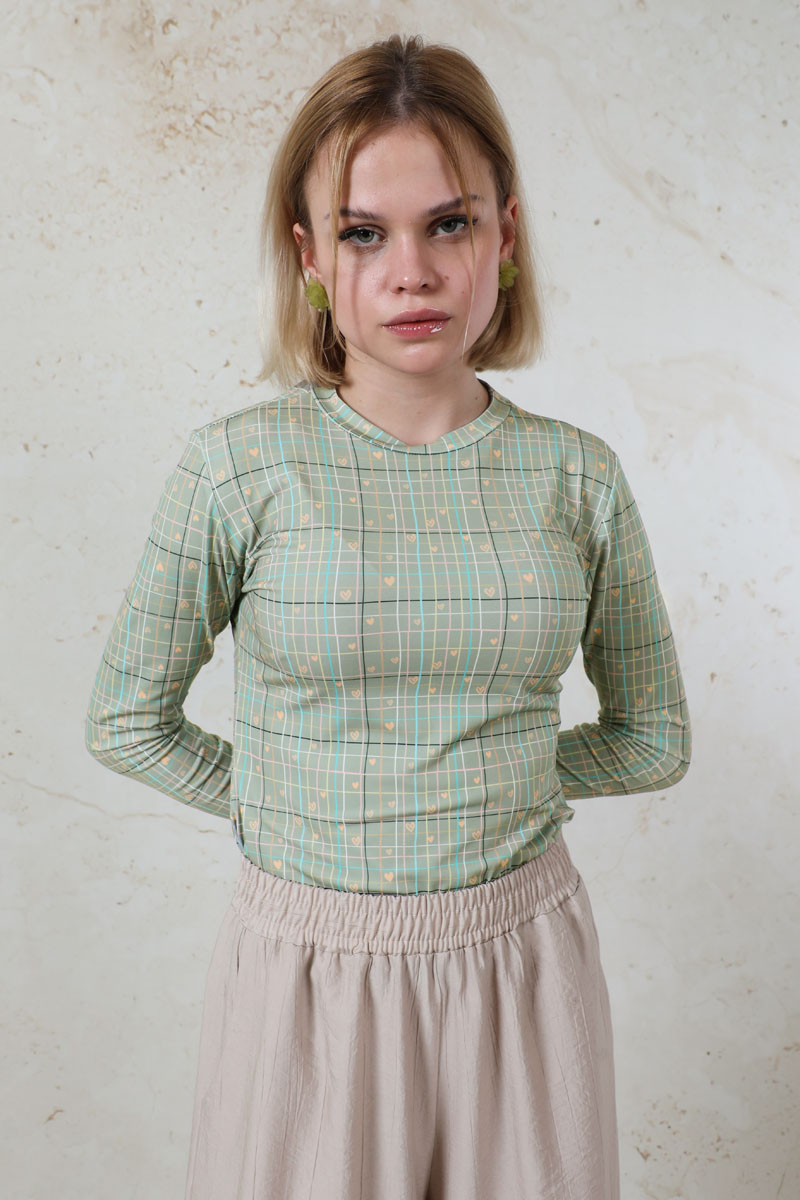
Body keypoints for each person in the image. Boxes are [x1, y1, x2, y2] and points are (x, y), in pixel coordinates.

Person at [86, 33, 691, 1200]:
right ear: (310, 256)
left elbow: (652, 737)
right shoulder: (236, 469)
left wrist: (483, 785)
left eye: (446, 224)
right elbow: (126, 717)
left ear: (504, 237)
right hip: (307, 977)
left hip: (522, 966)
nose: (409, 271)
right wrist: (299, 797)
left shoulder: (576, 477)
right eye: (363, 233)